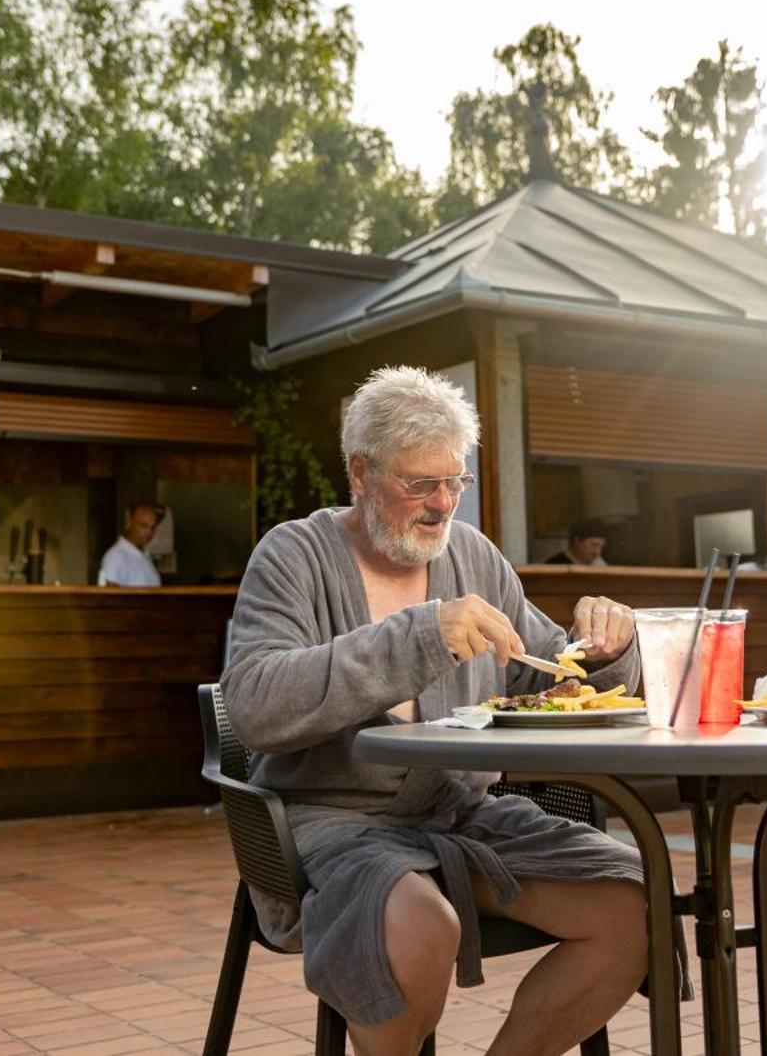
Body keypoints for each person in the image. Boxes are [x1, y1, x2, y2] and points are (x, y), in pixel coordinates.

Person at [222, 366, 649, 1056]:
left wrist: (604, 651)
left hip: (463, 814)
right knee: (421, 929)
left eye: (456, 482)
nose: (443, 504)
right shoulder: (294, 554)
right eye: (419, 484)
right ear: (359, 473)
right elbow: (254, 703)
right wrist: (421, 634)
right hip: (336, 825)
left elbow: (547, 667)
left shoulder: (474, 556)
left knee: (634, 902)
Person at [97, 501, 163, 587]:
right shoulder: (115, 557)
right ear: (129, 523)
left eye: (153, 527)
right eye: (143, 526)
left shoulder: (145, 556)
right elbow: (110, 597)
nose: (149, 532)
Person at [544, 518, 608, 566]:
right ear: (577, 541)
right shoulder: (555, 564)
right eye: (593, 545)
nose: (597, 552)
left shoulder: (599, 564)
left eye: (601, 547)